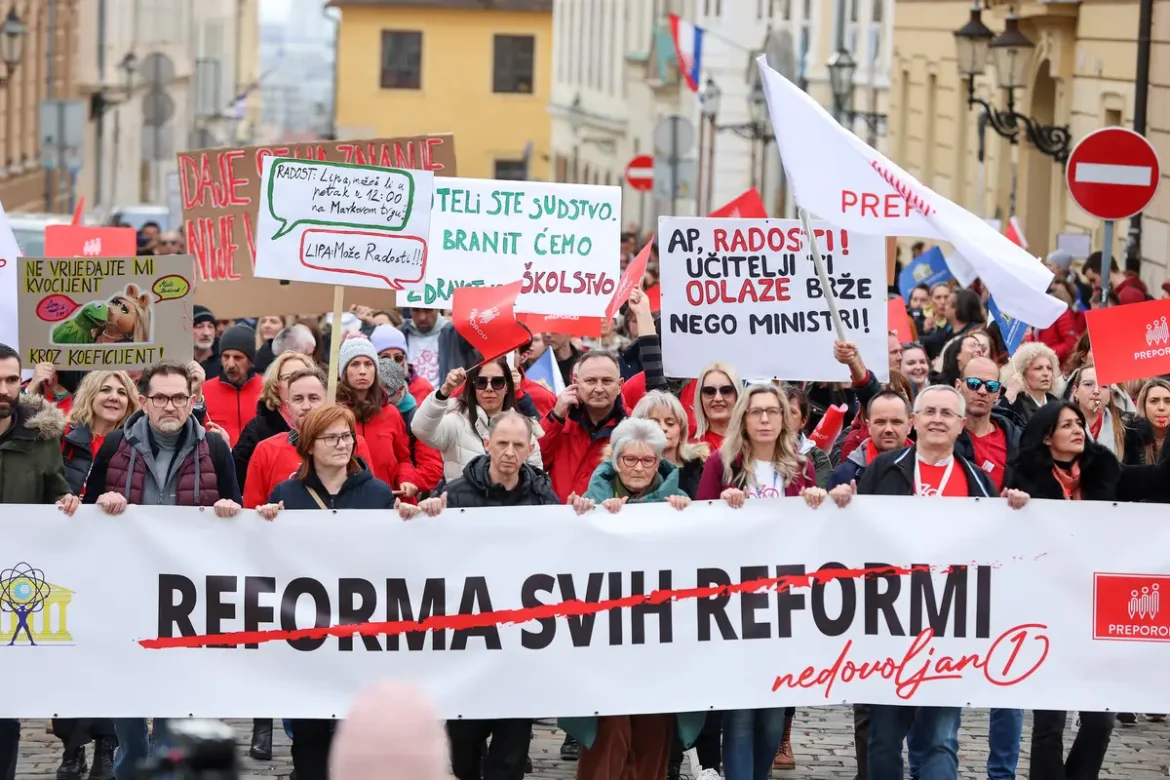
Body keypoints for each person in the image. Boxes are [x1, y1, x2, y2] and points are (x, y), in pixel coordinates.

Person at [826, 385, 1028, 780]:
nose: (937, 418)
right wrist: (841, 505)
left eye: (947, 413)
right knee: (883, 740)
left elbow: (994, 550)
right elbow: (855, 537)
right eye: (929, 411)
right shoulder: (884, 469)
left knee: (939, 739)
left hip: (945, 636)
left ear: (961, 425)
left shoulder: (977, 483)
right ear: (914, 422)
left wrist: (1015, 508)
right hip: (888, 629)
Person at [79, 360, 241, 780]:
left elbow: (236, 510)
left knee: (175, 701)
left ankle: (169, 766)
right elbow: (89, 507)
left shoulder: (216, 448)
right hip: (127, 590)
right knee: (129, 705)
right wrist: (102, 504)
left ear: (192, 401)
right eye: (161, 398)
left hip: (186, 597)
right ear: (146, 401)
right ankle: (131, 764)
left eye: (179, 398)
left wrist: (229, 509)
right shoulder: (117, 445)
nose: (170, 406)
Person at [1008, 401, 1170, 780]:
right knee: (1049, 724)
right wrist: (1013, 506)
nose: (1078, 430)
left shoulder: (1104, 469)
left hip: (1097, 611)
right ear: (1048, 436)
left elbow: (1160, 479)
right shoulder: (1024, 478)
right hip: (1047, 612)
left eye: (1079, 423)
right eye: (1067, 425)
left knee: (1101, 719)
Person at [395, 411, 558, 780]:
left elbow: (564, 551)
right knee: (464, 746)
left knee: (511, 755)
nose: (510, 452)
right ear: (487, 444)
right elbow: (426, 557)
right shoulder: (456, 494)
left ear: (530, 449)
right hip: (467, 647)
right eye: (503, 443)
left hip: (519, 648)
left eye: (519, 445)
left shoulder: (544, 497)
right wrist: (427, 513)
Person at [255, 404, 397, 780]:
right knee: (310, 737)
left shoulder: (377, 494)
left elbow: (395, 556)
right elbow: (266, 561)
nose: (342, 444)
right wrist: (264, 522)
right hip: (308, 640)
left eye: (347, 436)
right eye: (331, 437)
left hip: (359, 638)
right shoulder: (287, 494)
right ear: (309, 446)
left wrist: (417, 518)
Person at [561, 418, 701, 780]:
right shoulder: (589, 502)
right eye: (629, 460)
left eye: (647, 460)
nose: (638, 468)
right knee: (608, 733)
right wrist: (581, 516)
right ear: (615, 458)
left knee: (653, 735)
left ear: (660, 460)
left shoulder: (679, 503)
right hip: (605, 644)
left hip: (659, 643)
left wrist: (684, 519)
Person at [695, 384, 818, 780]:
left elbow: (817, 533)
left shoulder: (802, 468)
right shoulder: (722, 463)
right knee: (741, 714)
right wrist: (722, 507)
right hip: (735, 604)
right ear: (742, 420)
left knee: (771, 719)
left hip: (784, 607)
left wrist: (821, 502)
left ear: (785, 418)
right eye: (755, 412)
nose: (764, 419)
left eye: (772, 411)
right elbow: (698, 523)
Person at [0, 344, 75, 780]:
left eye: (12, 379)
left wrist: (65, 502)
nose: (6, 389)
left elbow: (56, 491)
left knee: (4, 708)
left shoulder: (42, 438)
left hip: (12, 591)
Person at [244, 367, 376, 508]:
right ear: (288, 406)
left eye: (313, 398)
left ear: (327, 401)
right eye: (298, 399)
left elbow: (368, 496)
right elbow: (252, 511)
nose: (306, 406)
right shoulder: (266, 450)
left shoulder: (352, 443)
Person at [412, 360, 543, 484]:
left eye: (497, 382)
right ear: (473, 387)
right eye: (481, 382)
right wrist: (445, 391)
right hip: (462, 506)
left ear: (507, 388)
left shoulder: (525, 429)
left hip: (511, 506)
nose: (489, 388)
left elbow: (537, 483)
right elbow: (420, 429)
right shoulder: (456, 421)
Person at [335, 338, 421, 497]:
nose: (362, 371)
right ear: (344, 371)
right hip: (347, 505)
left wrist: (407, 479)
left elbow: (404, 460)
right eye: (355, 364)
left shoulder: (391, 413)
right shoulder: (332, 414)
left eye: (368, 364)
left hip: (390, 501)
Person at [541, 352, 627, 503]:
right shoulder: (558, 420)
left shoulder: (632, 427)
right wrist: (555, 418)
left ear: (619, 385)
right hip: (560, 517)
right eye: (590, 381)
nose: (599, 389)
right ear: (576, 383)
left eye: (606, 381)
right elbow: (536, 462)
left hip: (608, 519)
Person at [233, 351, 316, 495]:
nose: (296, 382)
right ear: (276, 385)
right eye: (289, 377)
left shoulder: (328, 427)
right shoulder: (257, 430)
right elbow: (238, 484)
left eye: (303, 375)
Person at [953, 357, 1023, 493]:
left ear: (998, 393)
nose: (982, 391)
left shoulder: (1016, 440)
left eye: (991, 386)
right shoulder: (943, 434)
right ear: (958, 386)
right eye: (974, 383)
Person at [1065, 366, 1151, 466]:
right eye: (1088, 384)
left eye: (1104, 386)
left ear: (1110, 394)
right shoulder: (1059, 425)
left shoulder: (1130, 428)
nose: (1096, 391)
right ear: (1075, 391)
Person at [630, 391, 709, 499]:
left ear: (681, 431)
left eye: (670, 423)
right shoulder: (626, 469)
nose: (663, 428)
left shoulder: (700, 468)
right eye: (654, 423)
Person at [828, 390, 912, 489]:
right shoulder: (845, 475)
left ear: (909, 425)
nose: (888, 429)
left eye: (896, 422)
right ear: (869, 426)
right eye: (880, 422)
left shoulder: (926, 470)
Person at [201, 322, 262, 445]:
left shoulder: (266, 390)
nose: (231, 364)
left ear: (250, 359)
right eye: (226, 356)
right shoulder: (203, 391)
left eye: (238, 358)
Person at [400, 307, 478, 388]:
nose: (422, 317)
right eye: (416, 310)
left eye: (428, 310)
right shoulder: (400, 334)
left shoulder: (456, 334)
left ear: (438, 309)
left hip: (448, 398)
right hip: (411, 398)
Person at [371, 322, 434, 404]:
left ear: (405, 359)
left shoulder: (423, 387)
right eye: (385, 358)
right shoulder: (366, 389)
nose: (392, 363)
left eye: (398, 358)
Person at [1002, 342, 1060, 424]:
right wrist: (1010, 394)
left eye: (1049, 368)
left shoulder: (1058, 404)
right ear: (1022, 373)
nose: (1046, 373)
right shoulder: (1014, 406)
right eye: (1038, 368)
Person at [692, 363, 741, 449]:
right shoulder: (688, 445)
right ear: (700, 397)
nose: (718, 398)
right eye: (709, 391)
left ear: (738, 395)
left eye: (726, 390)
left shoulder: (755, 441)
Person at [1135, 378, 1170, 463]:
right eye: (1154, 401)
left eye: (1168, 401)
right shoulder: (1130, 439)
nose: (1161, 407)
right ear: (1143, 405)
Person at [192, 305, 220, 379]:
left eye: (210, 326)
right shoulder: (179, 361)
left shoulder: (225, 361)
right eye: (199, 326)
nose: (206, 333)